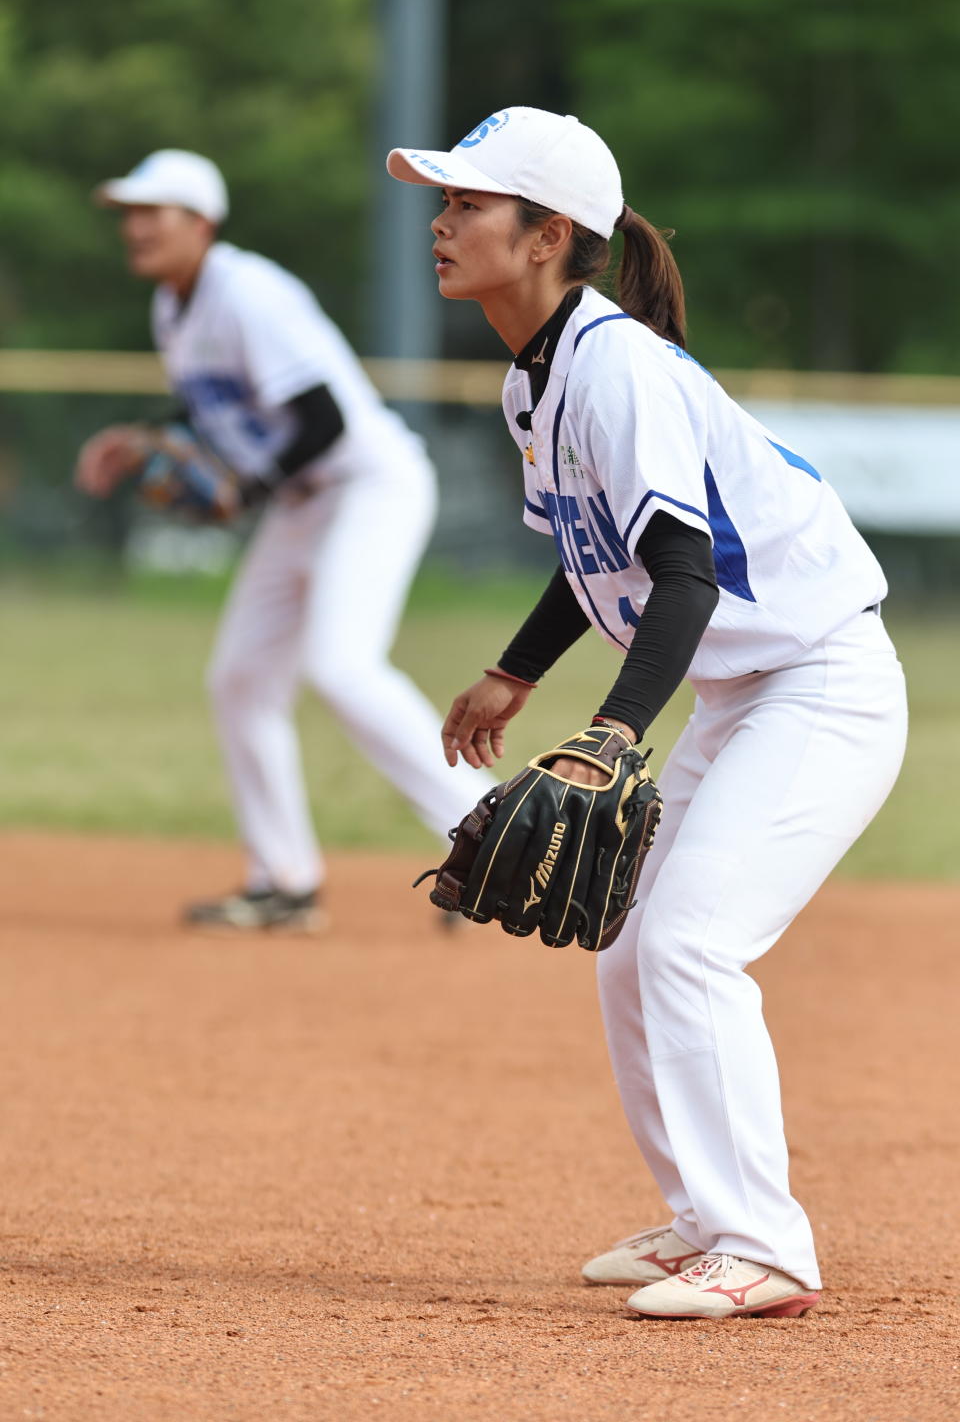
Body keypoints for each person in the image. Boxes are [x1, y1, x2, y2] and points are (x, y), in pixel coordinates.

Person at [387, 107, 907, 1319]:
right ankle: (703, 1221)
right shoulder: (540, 375)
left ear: (547, 235)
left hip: (820, 682)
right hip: (746, 686)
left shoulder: (615, 366)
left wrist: (611, 730)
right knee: (630, 947)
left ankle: (767, 1247)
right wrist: (517, 673)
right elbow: (595, 556)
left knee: (688, 940)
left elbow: (685, 575)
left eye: (470, 203)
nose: (442, 221)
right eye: (446, 200)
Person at [76, 148, 483, 932]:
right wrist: (144, 436)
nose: (134, 227)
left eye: (151, 212)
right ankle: (284, 882)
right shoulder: (174, 305)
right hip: (302, 502)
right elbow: (222, 408)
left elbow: (324, 416)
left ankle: (496, 839)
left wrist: (246, 488)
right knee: (240, 679)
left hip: (368, 484)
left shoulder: (248, 291)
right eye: (127, 213)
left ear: (202, 223)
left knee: (341, 665)